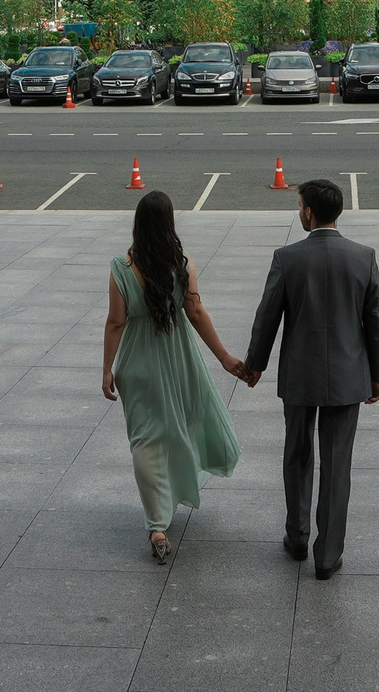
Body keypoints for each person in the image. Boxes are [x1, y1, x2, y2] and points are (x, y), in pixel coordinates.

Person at [242, 177, 379, 580]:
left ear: (308, 212)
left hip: (300, 378)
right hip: (347, 378)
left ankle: (297, 536)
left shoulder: (287, 257)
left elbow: (267, 316)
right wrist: (376, 375)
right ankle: (328, 556)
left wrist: (255, 365)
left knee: (297, 455)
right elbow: (374, 322)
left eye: (299, 205)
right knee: (338, 465)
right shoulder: (364, 257)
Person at [101, 190, 245, 563]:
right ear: (169, 224)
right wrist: (225, 357)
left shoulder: (120, 266)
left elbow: (116, 321)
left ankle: (157, 525)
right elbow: (195, 311)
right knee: (181, 427)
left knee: (145, 440)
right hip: (178, 357)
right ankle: (173, 496)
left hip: (137, 364)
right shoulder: (182, 263)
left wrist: (107, 368)